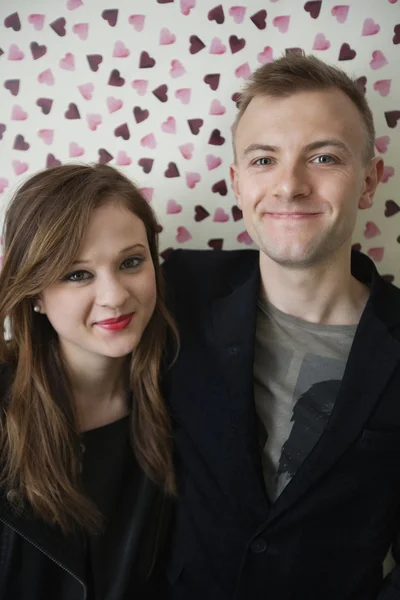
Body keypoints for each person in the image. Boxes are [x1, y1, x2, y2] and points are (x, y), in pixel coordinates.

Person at [163, 53, 400, 600]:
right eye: (264, 159)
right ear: (237, 182)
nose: (289, 186)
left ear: (369, 181)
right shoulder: (177, 289)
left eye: (322, 157)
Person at [0, 163, 178, 599]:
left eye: (131, 262)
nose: (115, 296)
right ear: (35, 293)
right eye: (77, 274)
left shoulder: (185, 397)